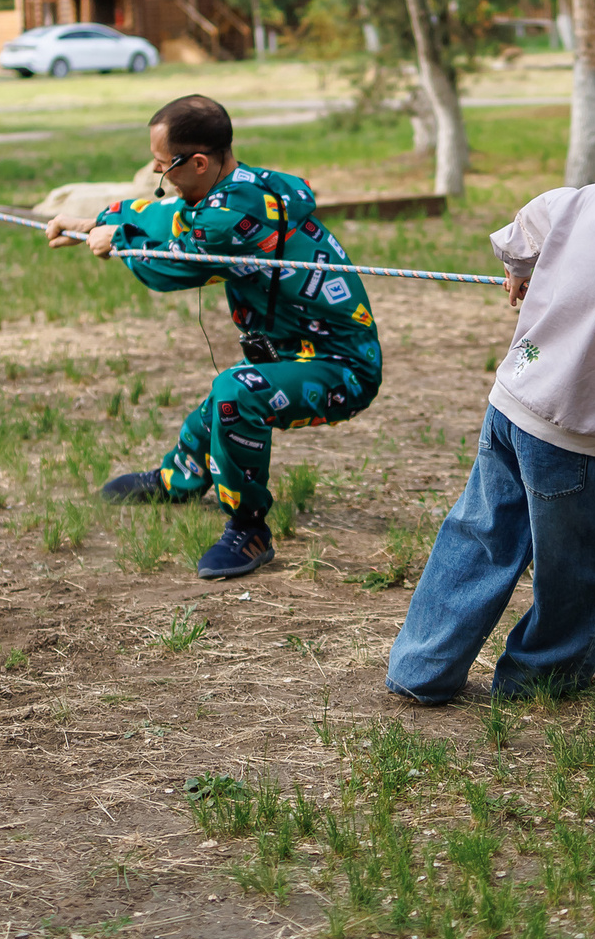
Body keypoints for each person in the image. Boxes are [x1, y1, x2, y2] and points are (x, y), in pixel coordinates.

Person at [49, 95, 382, 581]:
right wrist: (100, 221)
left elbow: (167, 269)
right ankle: (179, 480)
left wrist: (119, 242)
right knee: (224, 399)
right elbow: (169, 215)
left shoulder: (233, 219)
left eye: (163, 164)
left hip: (340, 368)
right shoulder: (239, 188)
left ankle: (249, 528)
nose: (157, 172)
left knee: (235, 393)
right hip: (291, 355)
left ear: (199, 163)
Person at [383, 177, 595, 704]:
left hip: (513, 398)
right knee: (584, 560)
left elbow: (527, 223)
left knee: (481, 533)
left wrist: (519, 266)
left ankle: (421, 666)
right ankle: (542, 676)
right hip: (575, 430)